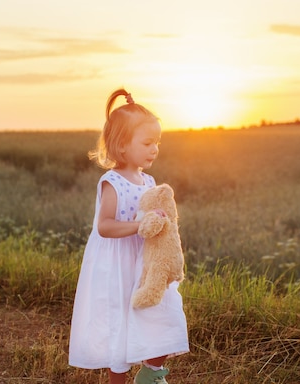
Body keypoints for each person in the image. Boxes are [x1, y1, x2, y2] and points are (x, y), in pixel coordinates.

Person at [69, 88, 189, 384]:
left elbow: (153, 217)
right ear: (123, 145)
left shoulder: (148, 180)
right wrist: (139, 225)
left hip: (144, 261)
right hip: (116, 264)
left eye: (157, 142)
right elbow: (105, 226)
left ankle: (150, 373)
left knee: (164, 313)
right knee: (118, 327)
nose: (155, 149)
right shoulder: (112, 182)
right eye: (147, 142)